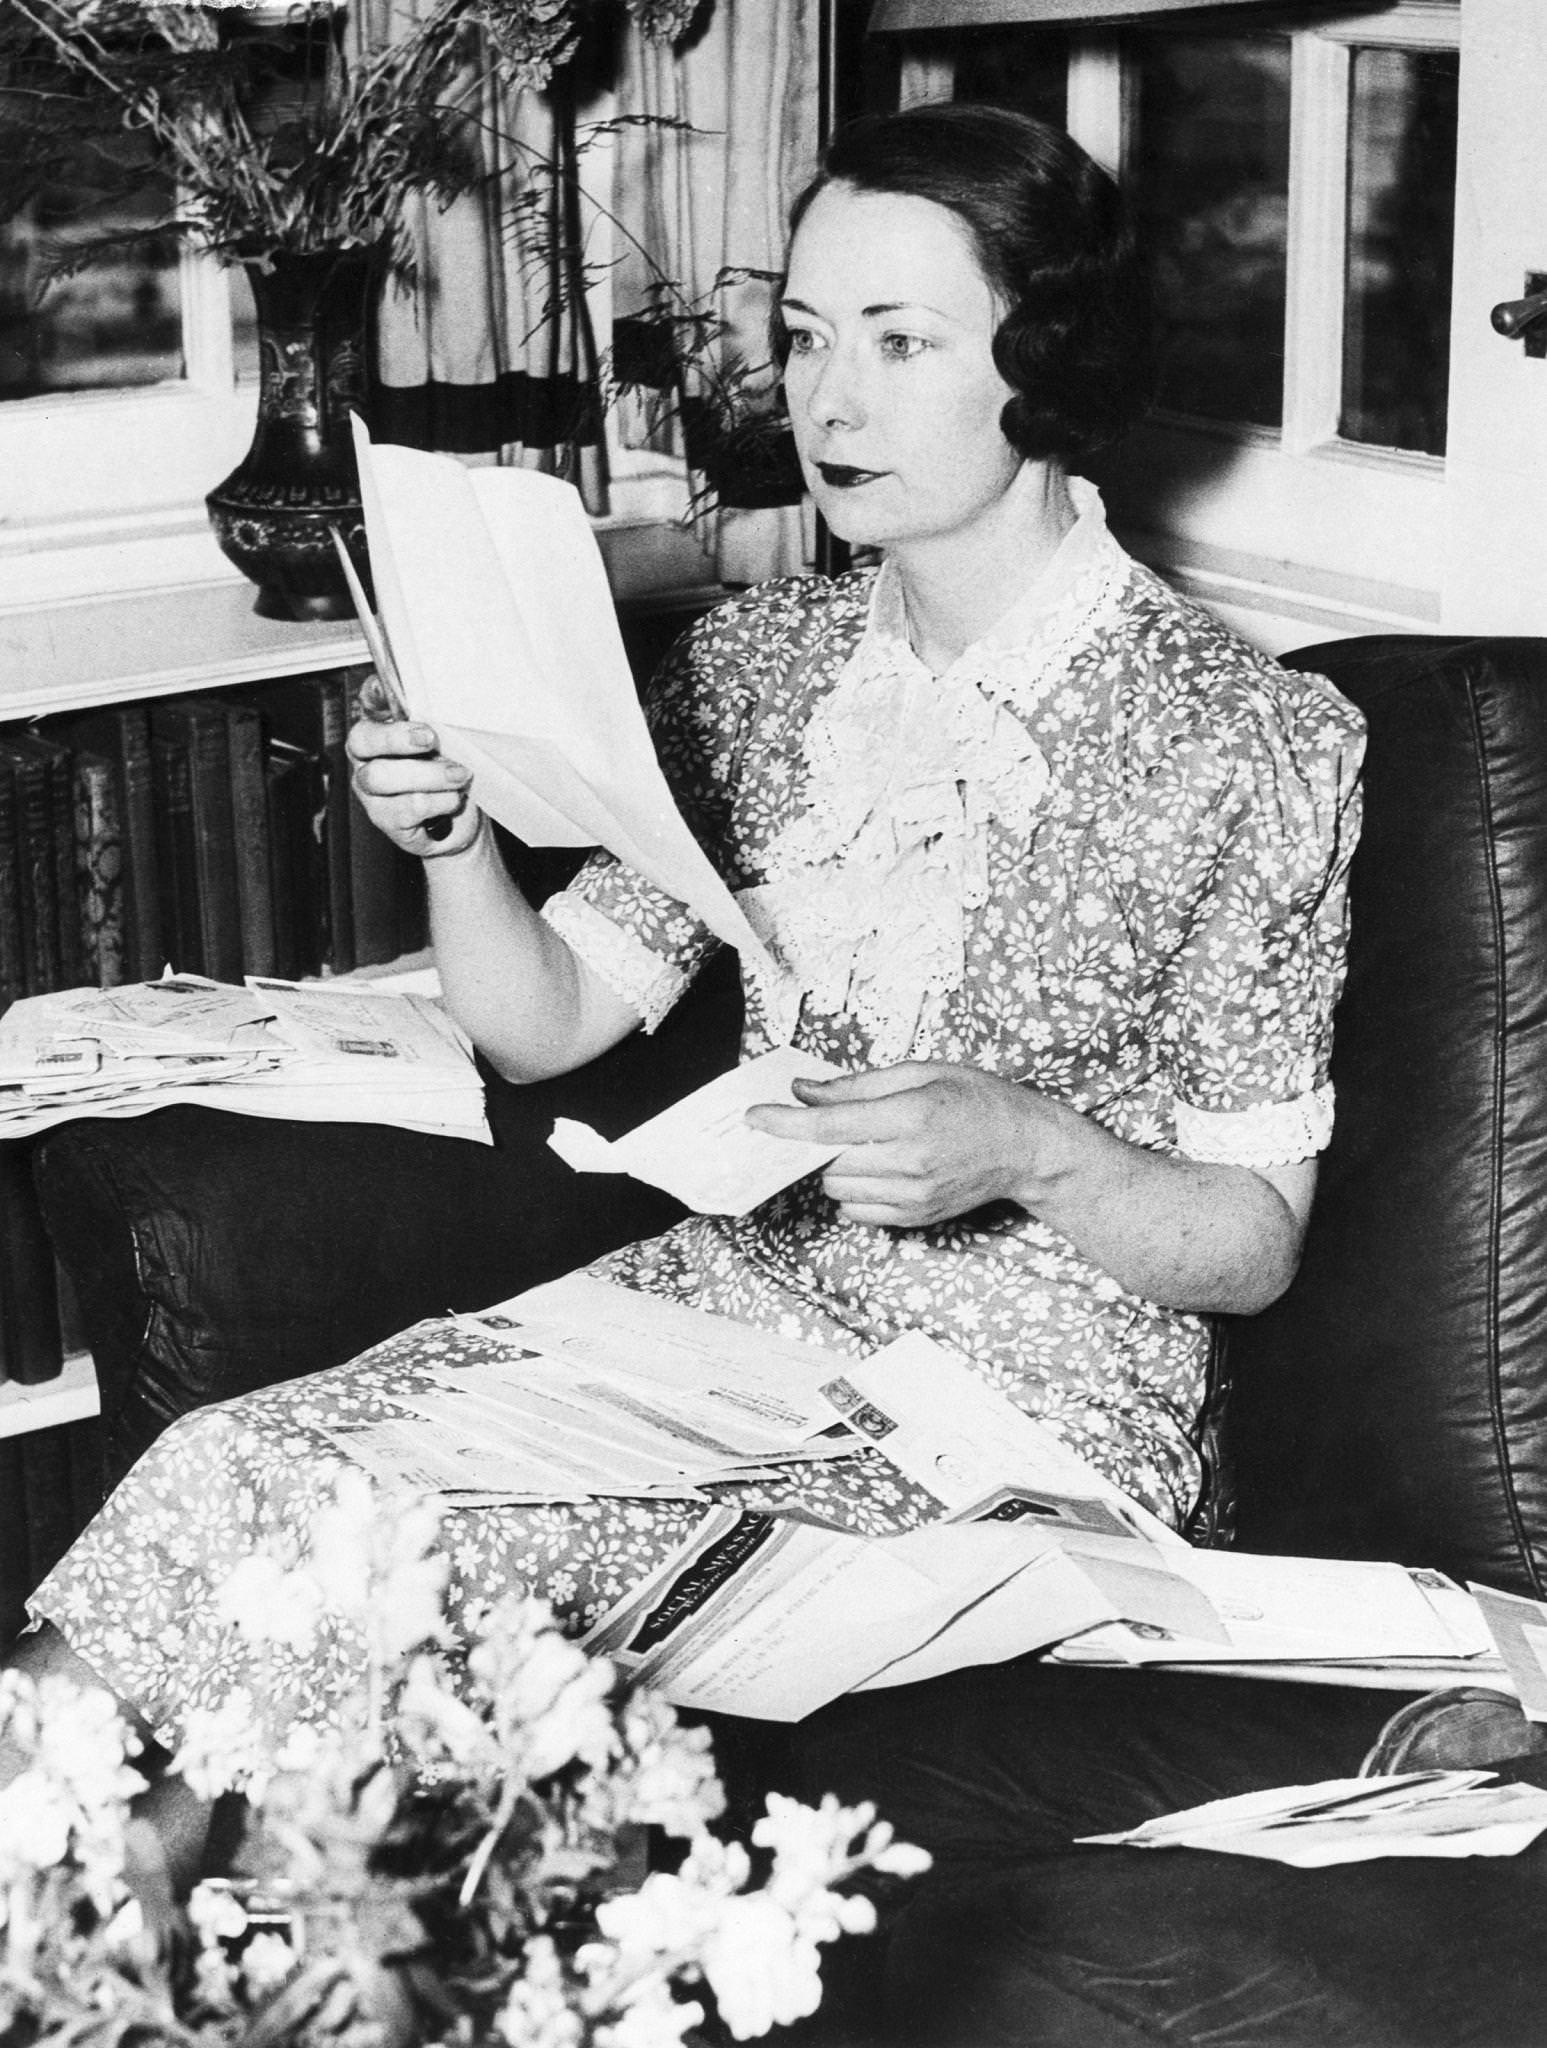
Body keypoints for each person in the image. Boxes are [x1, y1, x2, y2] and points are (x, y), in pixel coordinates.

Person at [5, 103, 1364, 1884]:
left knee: (406, 1586)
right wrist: (455, 837)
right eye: (804, 338)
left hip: (1028, 1422)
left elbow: (1253, 1238)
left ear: (1044, 361)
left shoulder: (1249, 741)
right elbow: (548, 1018)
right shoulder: (764, 663)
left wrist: (1033, 1150)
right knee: (238, 1474)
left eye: (901, 342)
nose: (830, 400)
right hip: (727, 1311)